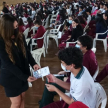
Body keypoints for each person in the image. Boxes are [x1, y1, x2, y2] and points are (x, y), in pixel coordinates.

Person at [0, 14, 40, 108]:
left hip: (22, 73)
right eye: (13, 28)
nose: (16, 29)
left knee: (22, 97)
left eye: (16, 26)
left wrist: (34, 63)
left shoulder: (19, 37)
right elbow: (8, 64)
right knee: (16, 102)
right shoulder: (1, 42)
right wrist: (24, 77)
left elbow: (27, 53)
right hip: (11, 76)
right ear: (7, 29)